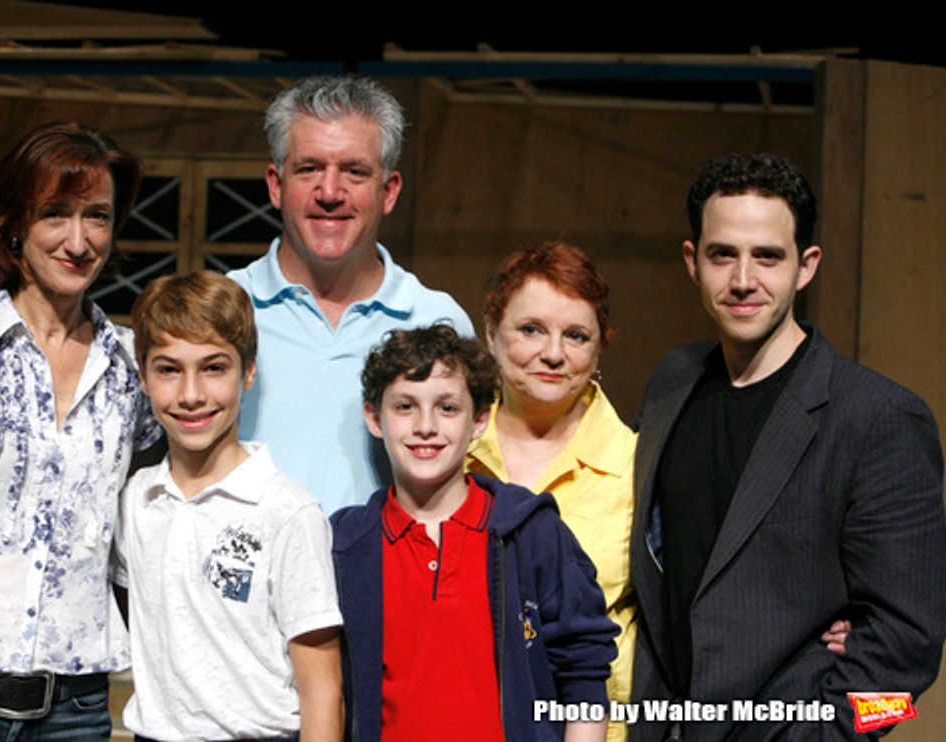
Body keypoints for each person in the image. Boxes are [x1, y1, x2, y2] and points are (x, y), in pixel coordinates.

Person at [629, 153, 946, 740]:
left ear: (807, 266)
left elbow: (911, 648)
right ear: (692, 262)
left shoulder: (878, 418)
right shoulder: (672, 382)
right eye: (722, 254)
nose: (743, 280)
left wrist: (835, 734)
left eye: (768, 256)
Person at [0, 122, 160, 738]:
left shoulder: (133, 365)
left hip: (75, 705)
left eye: (97, 216)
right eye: (55, 213)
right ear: (15, 225)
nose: (79, 241)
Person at [332, 324, 617, 741]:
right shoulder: (345, 546)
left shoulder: (531, 531)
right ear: (375, 419)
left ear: (480, 420)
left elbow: (584, 674)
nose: (426, 426)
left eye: (447, 408)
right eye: (405, 406)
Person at [114, 270, 343, 741]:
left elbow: (323, 691)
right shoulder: (136, 500)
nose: (191, 395)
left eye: (214, 368)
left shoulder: (288, 512)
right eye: (168, 369)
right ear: (143, 378)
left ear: (249, 372)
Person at [228, 76, 473, 514]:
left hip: (388, 562)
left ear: (389, 192)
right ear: (275, 185)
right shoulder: (222, 310)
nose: (329, 193)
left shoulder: (437, 321)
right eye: (308, 169)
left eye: (355, 172)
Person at [466, 242, 636, 742]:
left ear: (599, 349)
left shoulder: (638, 465)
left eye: (576, 335)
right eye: (531, 329)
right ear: (491, 332)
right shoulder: (448, 451)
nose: (554, 353)